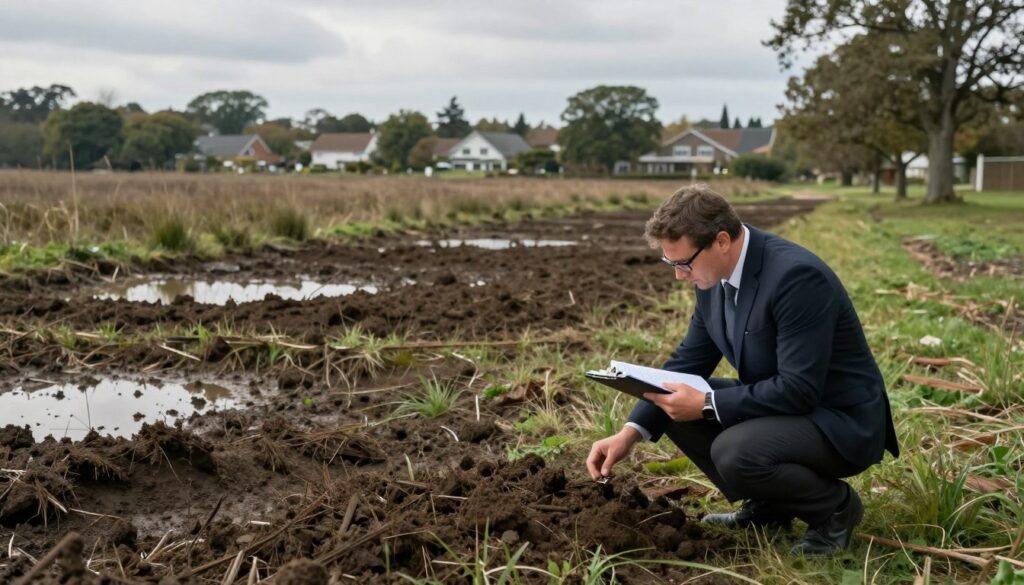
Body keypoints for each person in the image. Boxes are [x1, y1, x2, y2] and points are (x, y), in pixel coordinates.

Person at [586, 184, 898, 556]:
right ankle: (772, 505)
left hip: (839, 419)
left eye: (683, 263)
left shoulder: (796, 278)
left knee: (735, 452)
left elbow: (799, 389)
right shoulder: (712, 277)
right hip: (788, 406)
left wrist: (705, 403)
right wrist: (629, 433)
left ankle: (834, 509)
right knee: (672, 399)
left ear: (721, 241)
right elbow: (688, 361)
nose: (679, 276)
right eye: (671, 264)